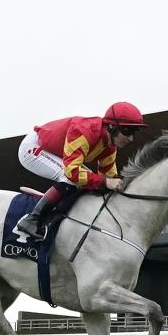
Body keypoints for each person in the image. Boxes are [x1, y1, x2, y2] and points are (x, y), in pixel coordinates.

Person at [16, 102, 148, 239]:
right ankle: (32, 219)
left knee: (91, 182)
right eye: (127, 131)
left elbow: (108, 178)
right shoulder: (84, 131)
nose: (131, 138)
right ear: (111, 126)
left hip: (56, 152)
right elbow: (73, 173)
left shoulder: (110, 146)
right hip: (33, 147)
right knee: (71, 178)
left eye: (134, 133)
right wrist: (106, 182)